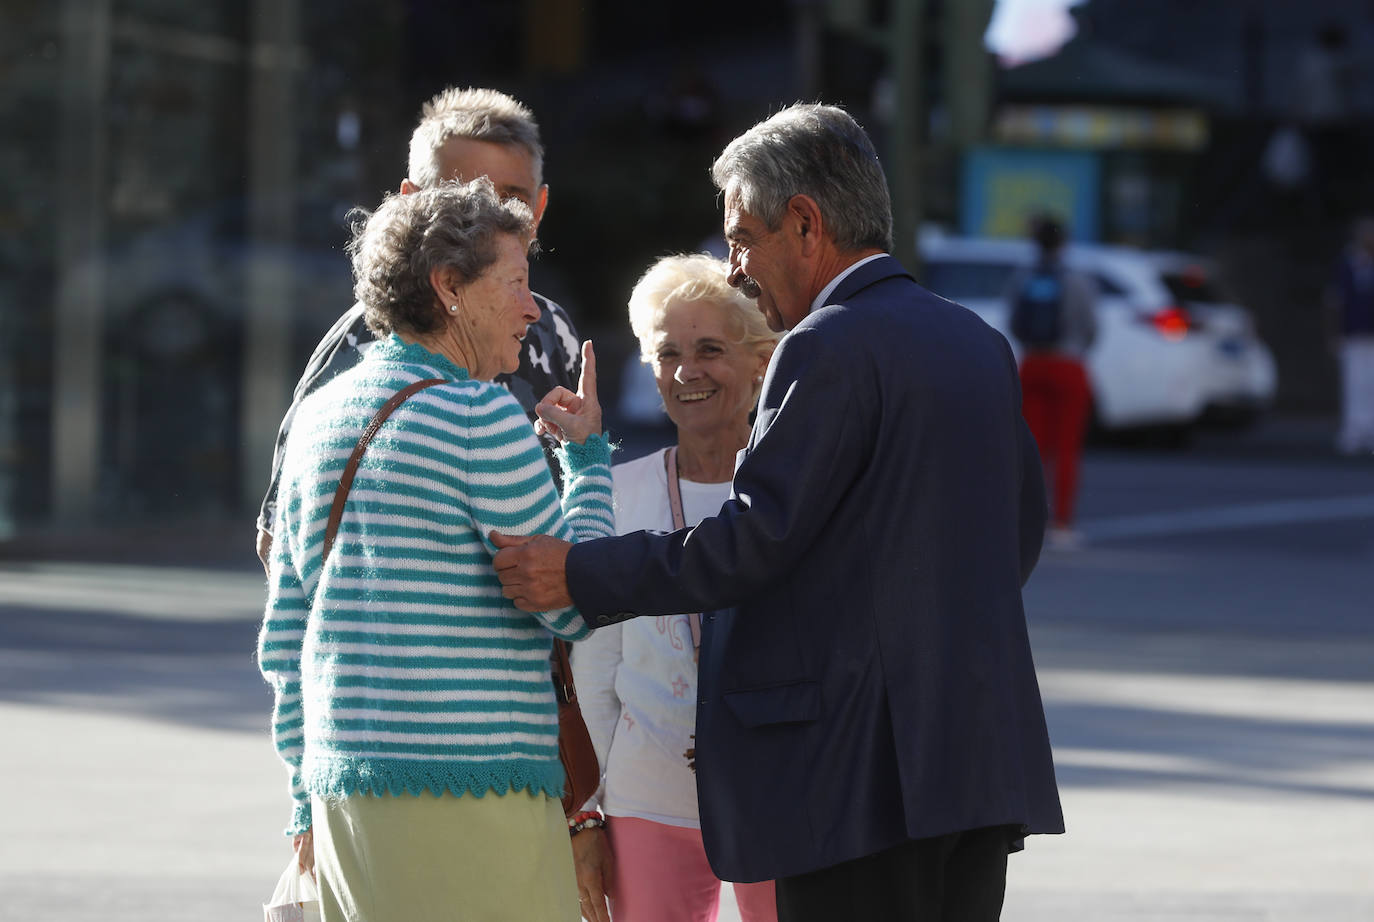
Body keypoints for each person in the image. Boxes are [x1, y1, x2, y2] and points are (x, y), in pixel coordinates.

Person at [491, 103, 1063, 922]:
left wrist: (578, 570)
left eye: (742, 236)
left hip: (855, 778)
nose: (735, 268)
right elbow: (1014, 539)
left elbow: (751, 543)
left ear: (805, 223)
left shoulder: (823, 345)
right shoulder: (976, 341)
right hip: (974, 762)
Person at [256, 178, 614, 921]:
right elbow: (576, 602)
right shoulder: (477, 415)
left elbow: (286, 635)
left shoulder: (318, 417)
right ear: (449, 287)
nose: (531, 309)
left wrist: (302, 803)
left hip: (344, 796)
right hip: (478, 793)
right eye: (515, 283)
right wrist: (587, 464)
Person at [255, 86, 581, 571]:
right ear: (411, 202)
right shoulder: (361, 342)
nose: (487, 215)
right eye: (462, 194)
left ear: (538, 209)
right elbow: (281, 538)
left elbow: (574, 525)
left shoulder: (553, 331)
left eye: (510, 199)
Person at [570, 254, 781, 922]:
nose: (687, 372)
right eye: (668, 353)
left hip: (779, 792)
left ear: (759, 363)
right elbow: (596, 666)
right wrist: (591, 812)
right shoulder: (620, 490)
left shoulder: (793, 489)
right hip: (647, 796)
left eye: (711, 349)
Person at [1005, 214, 1097, 546]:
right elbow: (1090, 328)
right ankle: (1061, 523)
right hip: (1069, 365)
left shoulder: (1023, 276)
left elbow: (1014, 321)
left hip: (1033, 363)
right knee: (1067, 448)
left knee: (1032, 448)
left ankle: (1028, 520)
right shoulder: (1077, 280)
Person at [1327, 216, 1374, 455]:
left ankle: (1371, 432)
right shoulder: (1347, 263)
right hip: (1353, 333)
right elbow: (1337, 301)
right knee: (1354, 384)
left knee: (1372, 384)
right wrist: (1335, 332)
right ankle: (1354, 431)